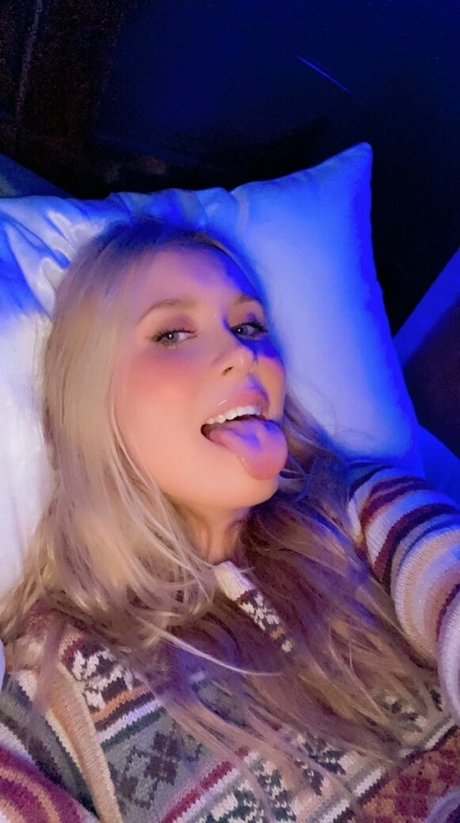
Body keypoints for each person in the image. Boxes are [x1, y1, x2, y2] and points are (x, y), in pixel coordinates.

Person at [0, 218, 459, 822]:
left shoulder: (362, 510)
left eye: (249, 327)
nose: (246, 355)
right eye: (171, 334)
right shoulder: (49, 678)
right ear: (90, 395)